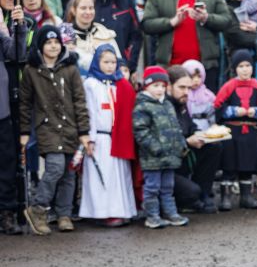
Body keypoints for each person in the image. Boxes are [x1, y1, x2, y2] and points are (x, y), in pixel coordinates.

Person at [20, 26, 91, 235]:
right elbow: (25, 104)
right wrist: (25, 131)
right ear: (40, 46)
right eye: (48, 43)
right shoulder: (31, 71)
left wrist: (83, 131)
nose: (53, 46)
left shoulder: (70, 68)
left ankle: (64, 214)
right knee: (55, 167)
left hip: (70, 128)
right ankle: (38, 208)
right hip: (47, 128)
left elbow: (79, 101)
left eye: (56, 42)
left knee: (69, 173)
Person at [142, 0, 231, 92]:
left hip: (205, 69)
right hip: (170, 68)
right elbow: (146, 24)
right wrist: (171, 22)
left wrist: (206, 18)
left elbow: (226, 20)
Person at [79, 44, 137, 226]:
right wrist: (90, 137)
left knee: (119, 176)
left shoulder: (119, 84)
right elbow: (90, 111)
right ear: (97, 62)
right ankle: (102, 212)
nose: (110, 66)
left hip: (117, 136)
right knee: (102, 175)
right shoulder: (91, 84)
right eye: (106, 62)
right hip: (100, 138)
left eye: (113, 62)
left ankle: (121, 209)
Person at [214, 49, 257, 210]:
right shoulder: (228, 87)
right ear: (235, 68)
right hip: (231, 132)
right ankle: (225, 197)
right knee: (229, 165)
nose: (245, 69)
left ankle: (246, 196)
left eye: (248, 65)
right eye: (241, 66)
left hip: (251, 133)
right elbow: (218, 108)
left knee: (247, 166)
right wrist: (233, 111)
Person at [133, 66, 190, 228]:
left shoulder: (168, 104)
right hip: (153, 158)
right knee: (152, 188)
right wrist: (155, 148)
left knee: (167, 188)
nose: (159, 89)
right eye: (155, 85)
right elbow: (140, 131)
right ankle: (152, 216)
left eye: (163, 86)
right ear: (147, 86)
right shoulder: (142, 106)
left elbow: (176, 127)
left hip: (170, 156)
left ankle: (171, 214)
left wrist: (181, 145)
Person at [167, 65, 222, 214]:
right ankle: (189, 199)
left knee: (214, 147)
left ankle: (204, 195)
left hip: (183, 157)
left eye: (188, 88)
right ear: (169, 86)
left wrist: (200, 135)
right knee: (192, 192)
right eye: (182, 87)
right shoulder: (164, 107)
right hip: (168, 166)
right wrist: (186, 142)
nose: (186, 92)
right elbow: (165, 142)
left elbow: (190, 126)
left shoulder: (181, 103)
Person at [85, 0, 142, 72]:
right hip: (88, 68)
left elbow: (136, 35)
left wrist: (129, 65)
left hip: (120, 67)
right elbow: (68, 29)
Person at [0, 3, 27, 235]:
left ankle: (6, 212)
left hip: (2, 111)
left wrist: (18, 27)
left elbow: (16, 53)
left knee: (6, 164)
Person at [63, 0, 122, 77]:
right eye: (83, 8)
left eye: (91, 8)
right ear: (73, 10)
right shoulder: (64, 36)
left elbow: (119, 64)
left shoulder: (105, 35)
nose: (88, 12)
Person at [181, 59, 217, 132]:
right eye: (192, 77)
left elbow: (212, 114)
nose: (196, 80)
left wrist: (214, 126)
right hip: (187, 130)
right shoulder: (182, 94)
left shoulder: (208, 95)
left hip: (205, 130)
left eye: (199, 76)